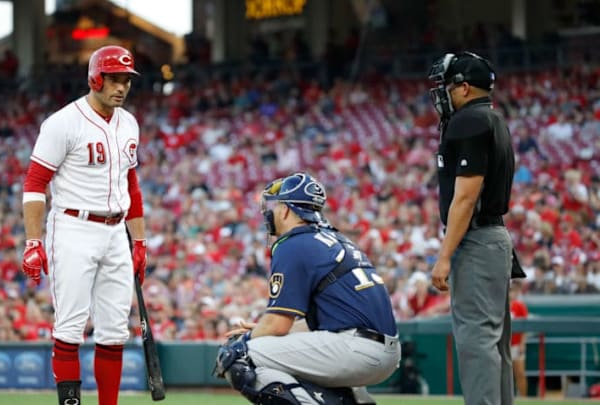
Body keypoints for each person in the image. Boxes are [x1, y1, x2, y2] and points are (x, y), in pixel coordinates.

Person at [21, 45, 147, 405]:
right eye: (113, 79)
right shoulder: (63, 122)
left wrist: (139, 242)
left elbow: (131, 185)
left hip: (116, 231)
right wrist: (33, 241)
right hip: (74, 227)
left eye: (126, 80)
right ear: (96, 77)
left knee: (113, 332)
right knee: (70, 328)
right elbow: (34, 182)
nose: (121, 87)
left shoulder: (129, 123)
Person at [214, 172, 400, 405]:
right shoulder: (334, 239)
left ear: (286, 210)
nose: (270, 212)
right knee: (270, 353)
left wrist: (250, 337)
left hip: (357, 349)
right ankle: (357, 400)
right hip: (380, 349)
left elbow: (278, 324)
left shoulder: (293, 242)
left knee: (239, 357)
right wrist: (263, 330)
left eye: (276, 204)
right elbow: (323, 321)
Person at [428, 51, 517, 404]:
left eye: (447, 86)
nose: (443, 94)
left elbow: (465, 197)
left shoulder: (469, 121)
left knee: (476, 341)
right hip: (492, 237)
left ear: (464, 88)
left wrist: (445, 256)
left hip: (477, 239)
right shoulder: (493, 119)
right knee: (494, 342)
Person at [509, 281, 529, 397]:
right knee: (504, 375)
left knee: (520, 373)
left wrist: (522, 343)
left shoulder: (520, 306)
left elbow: (525, 326)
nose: (511, 293)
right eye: (510, 290)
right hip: (504, 345)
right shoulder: (501, 305)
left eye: (513, 290)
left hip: (516, 345)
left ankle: (523, 398)